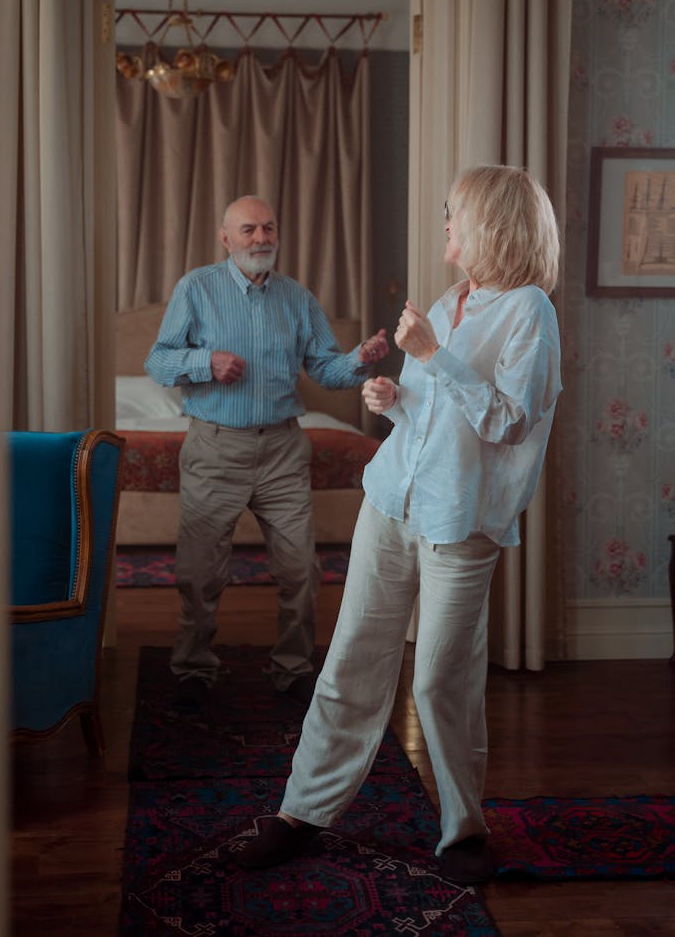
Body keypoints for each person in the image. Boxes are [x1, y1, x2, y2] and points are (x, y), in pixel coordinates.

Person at [236, 164, 562, 884]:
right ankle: (300, 811)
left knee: (440, 680)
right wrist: (392, 395)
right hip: (391, 502)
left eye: (455, 214)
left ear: (492, 225)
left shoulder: (531, 312)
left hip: (459, 521)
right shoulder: (452, 299)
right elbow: (430, 406)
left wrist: (430, 356)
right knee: (350, 657)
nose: (446, 224)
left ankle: (464, 827)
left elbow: (509, 422)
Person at [145, 194, 389, 709]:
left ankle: (293, 668)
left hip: (282, 448)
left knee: (301, 569)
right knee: (200, 574)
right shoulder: (196, 289)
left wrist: (360, 359)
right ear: (226, 238)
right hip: (215, 447)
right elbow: (158, 362)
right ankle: (193, 668)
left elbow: (326, 369)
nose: (261, 239)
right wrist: (204, 362)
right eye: (250, 229)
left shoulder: (297, 299)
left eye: (269, 229)